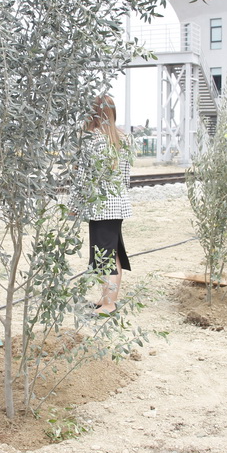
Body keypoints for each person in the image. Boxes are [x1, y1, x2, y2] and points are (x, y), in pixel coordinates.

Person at [68, 95, 133, 314]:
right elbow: (126, 177)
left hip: (100, 206)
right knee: (112, 252)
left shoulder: (90, 139)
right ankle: (107, 298)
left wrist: (74, 206)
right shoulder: (123, 138)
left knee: (105, 256)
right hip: (117, 203)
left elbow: (82, 177)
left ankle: (109, 303)